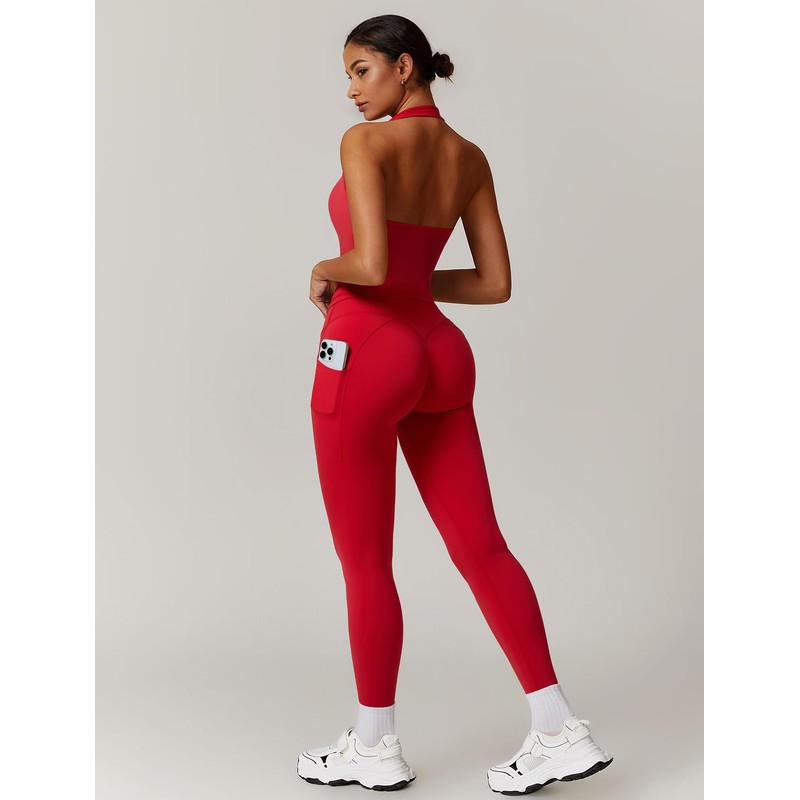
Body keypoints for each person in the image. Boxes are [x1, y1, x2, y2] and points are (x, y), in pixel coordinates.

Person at [297, 14, 614, 795]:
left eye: (361, 70)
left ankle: (375, 745)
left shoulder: (365, 144)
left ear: (404, 67)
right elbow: (492, 283)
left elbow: (369, 264)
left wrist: (324, 266)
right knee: (483, 547)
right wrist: (412, 283)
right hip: (440, 351)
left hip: (366, 349)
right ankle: (558, 727)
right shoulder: (469, 157)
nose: (351, 90)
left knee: (366, 560)